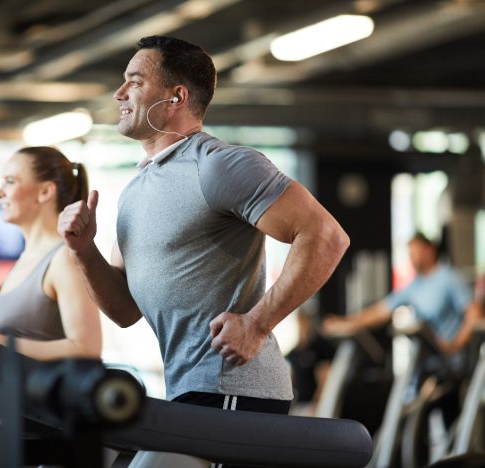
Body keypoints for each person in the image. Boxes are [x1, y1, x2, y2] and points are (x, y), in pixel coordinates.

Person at [58, 35, 348, 421]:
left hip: (233, 390)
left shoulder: (217, 165)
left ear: (175, 97)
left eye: (136, 81)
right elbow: (125, 310)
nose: (119, 93)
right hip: (189, 390)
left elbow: (326, 236)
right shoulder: (135, 191)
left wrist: (258, 324)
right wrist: (84, 250)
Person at [0, 146, 102, 361]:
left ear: (45, 192)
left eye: (10, 181)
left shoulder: (63, 258)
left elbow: (87, 348)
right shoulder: (27, 257)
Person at [321, 232, 484, 353]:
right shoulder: (415, 285)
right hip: (429, 359)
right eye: (410, 254)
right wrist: (346, 321)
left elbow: (475, 315)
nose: (411, 258)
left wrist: (454, 345)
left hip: (454, 361)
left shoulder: (449, 278)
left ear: (429, 251)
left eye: (415, 253)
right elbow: (381, 310)